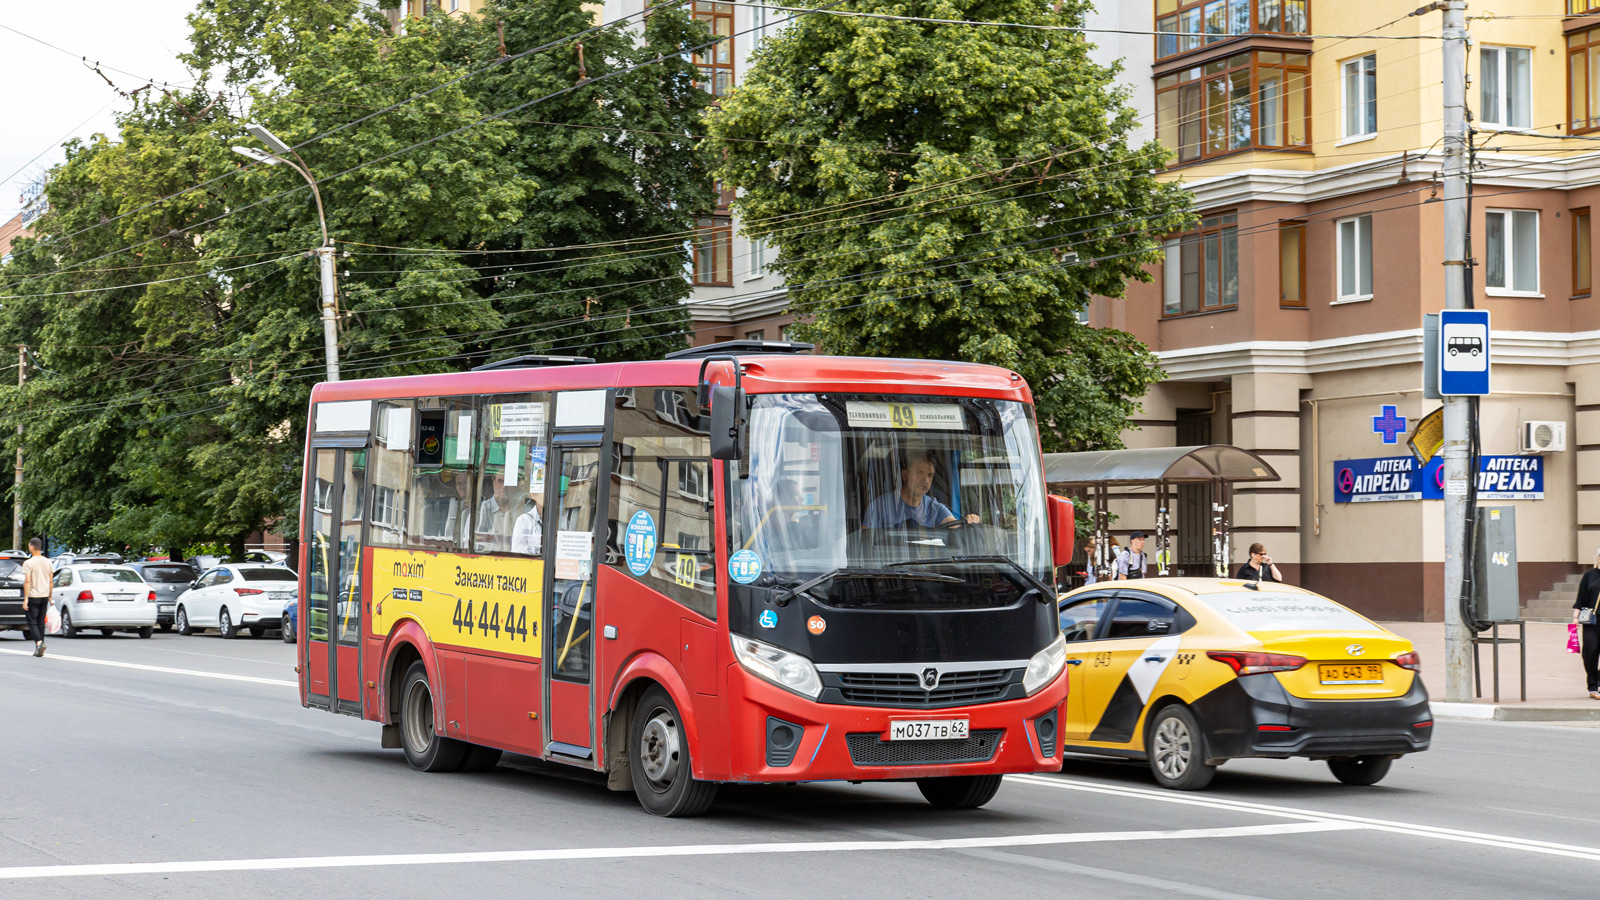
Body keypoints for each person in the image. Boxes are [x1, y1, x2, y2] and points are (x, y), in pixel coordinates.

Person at [863, 450, 980, 529]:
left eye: (930, 475)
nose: (925, 480)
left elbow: (953, 525)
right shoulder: (879, 507)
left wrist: (971, 522)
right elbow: (864, 542)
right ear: (905, 475)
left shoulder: (934, 507)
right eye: (919, 473)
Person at [1573, 548, 1600, 700]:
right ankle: (1593, 684)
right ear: (1598, 559)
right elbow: (1581, 598)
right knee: (1590, 650)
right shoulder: (1589, 575)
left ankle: (1597, 683)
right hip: (1591, 619)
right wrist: (1575, 617)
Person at [21, 537, 51, 658]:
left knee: (31, 621)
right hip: (45, 595)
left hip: (33, 595)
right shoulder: (48, 562)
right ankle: (39, 646)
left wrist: (25, 599)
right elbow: (51, 580)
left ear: (32, 547)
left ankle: (39, 643)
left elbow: (27, 581)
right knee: (40, 622)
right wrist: (50, 596)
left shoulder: (28, 563)